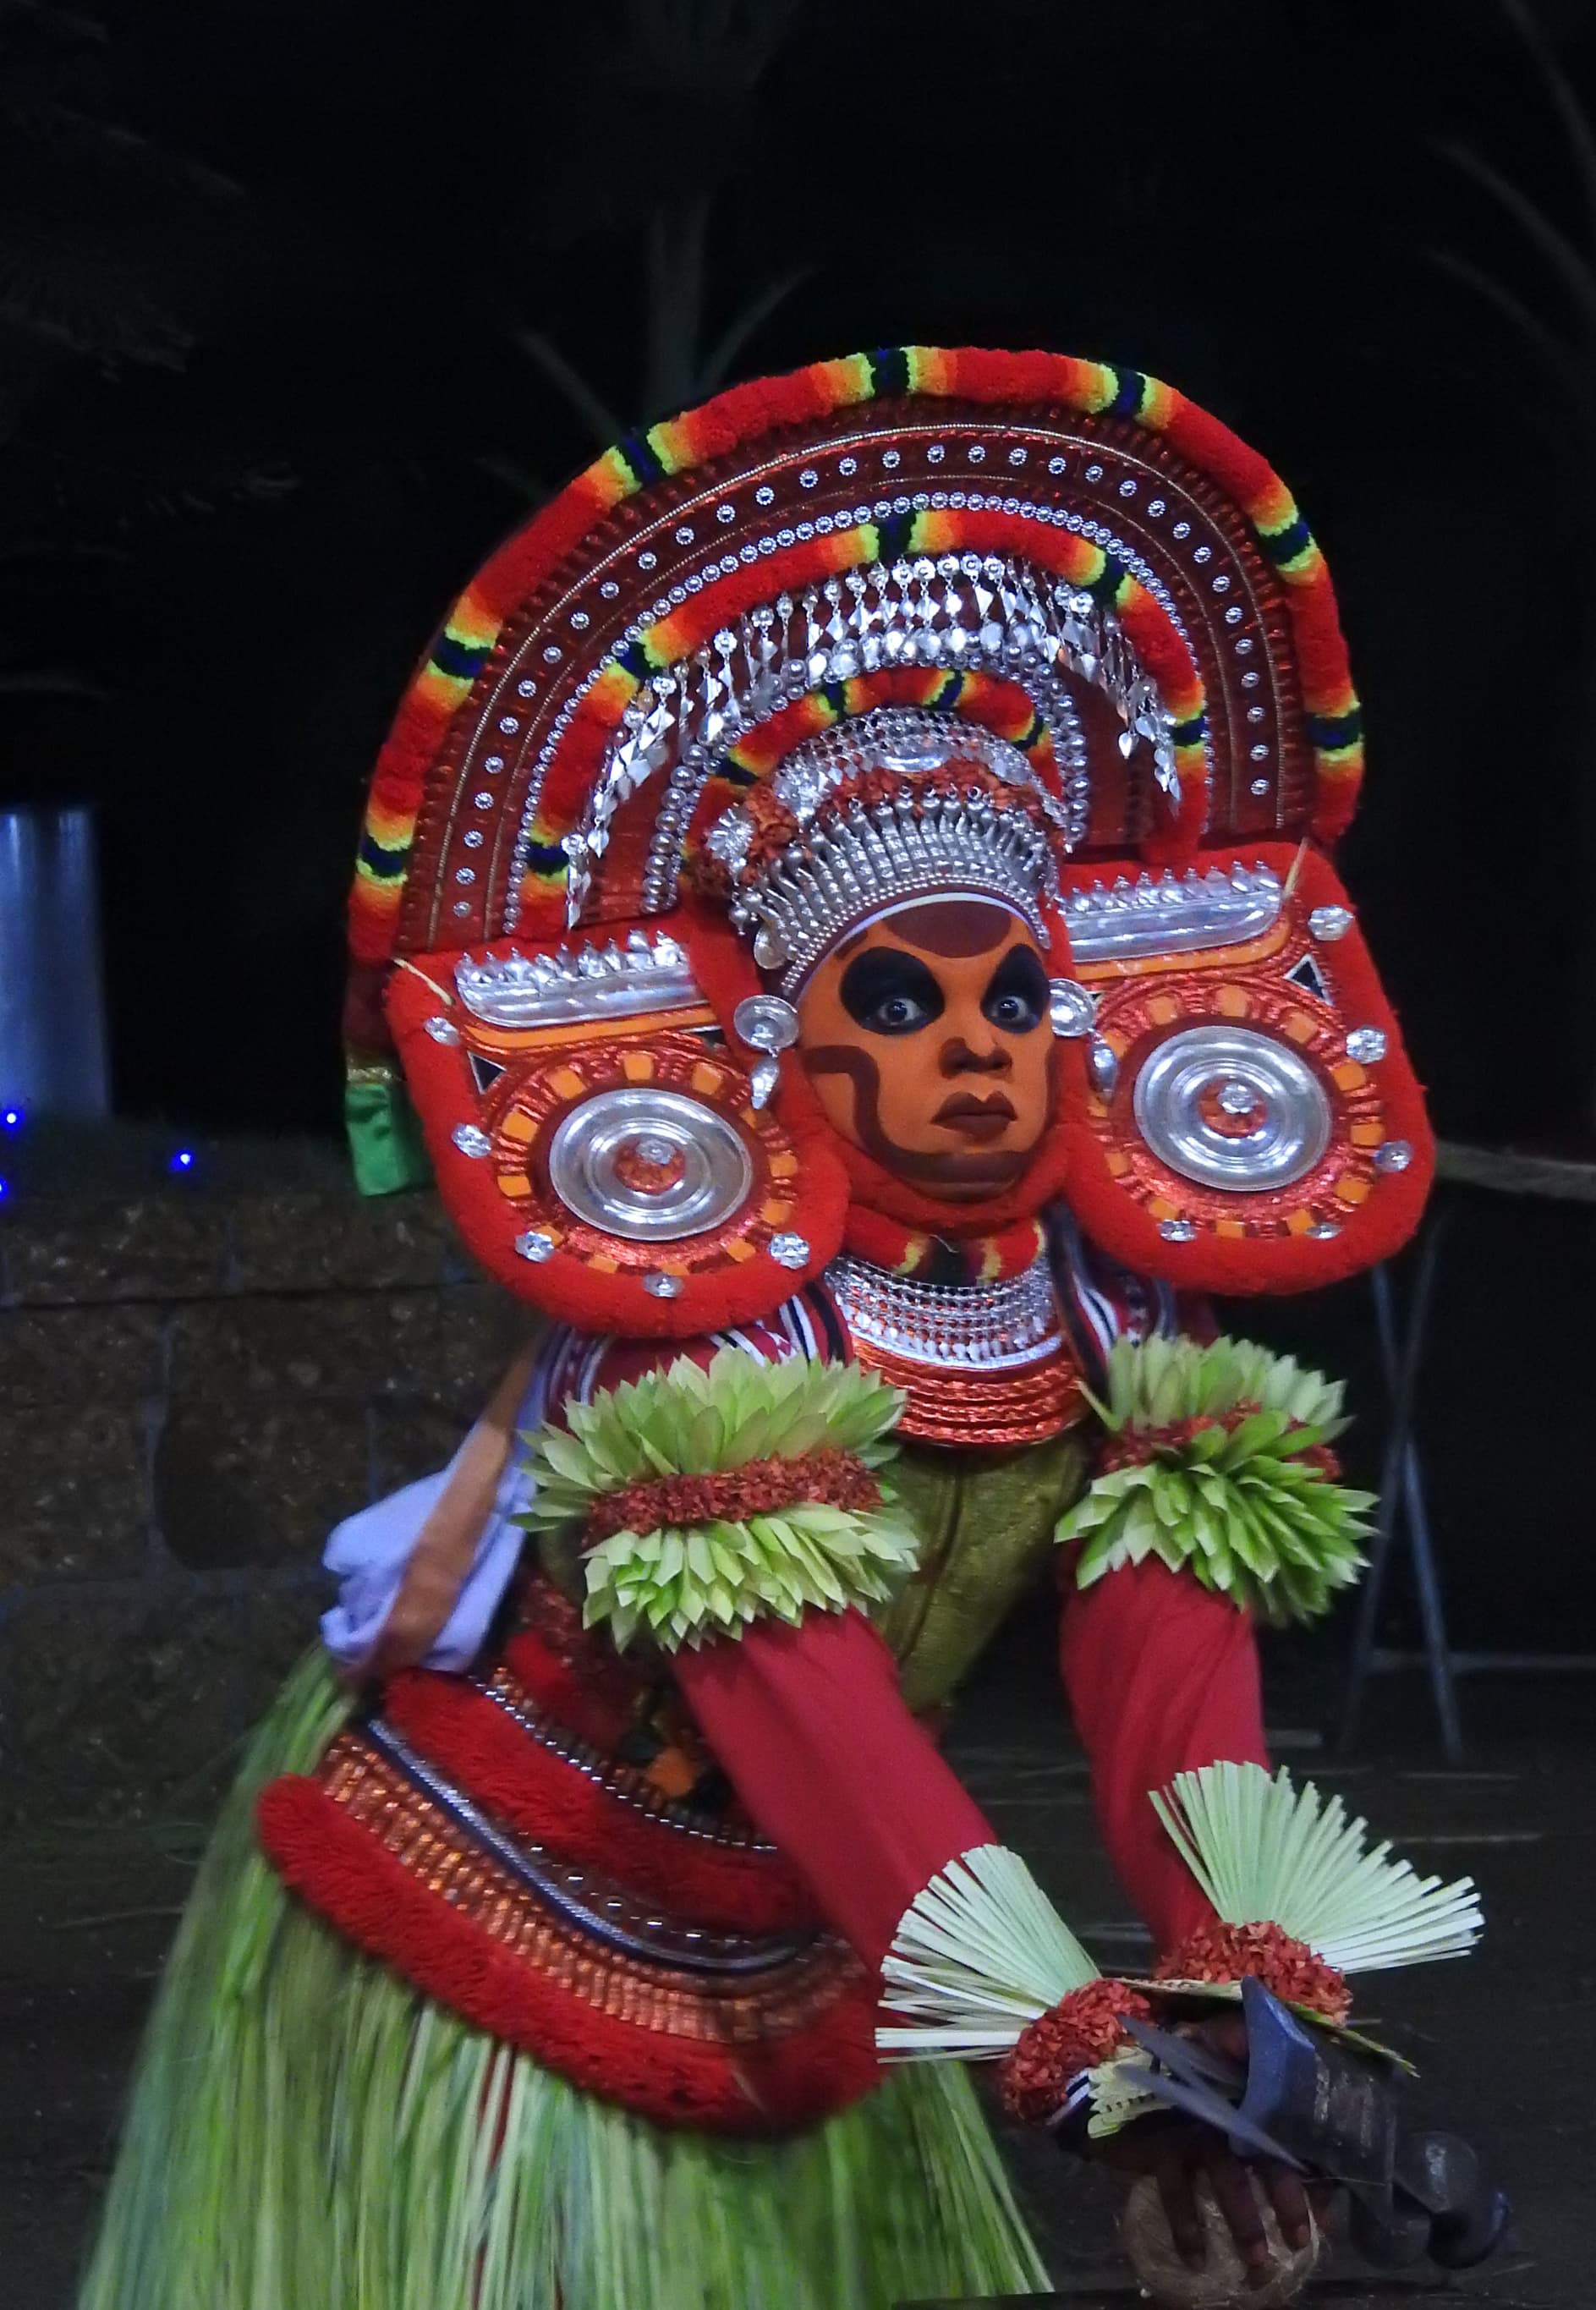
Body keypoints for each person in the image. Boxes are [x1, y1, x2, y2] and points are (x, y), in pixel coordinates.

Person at [80, 345, 1434, 2310]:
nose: (970, 1051)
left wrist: (1243, 2002)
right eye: (895, 1007)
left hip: (843, 1925)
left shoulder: (1112, 1313)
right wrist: (1085, 2064)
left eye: (1010, 1003)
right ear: (777, 1047)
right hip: (511, 1925)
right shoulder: (702, 1349)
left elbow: (1169, 1677)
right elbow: (815, 1723)